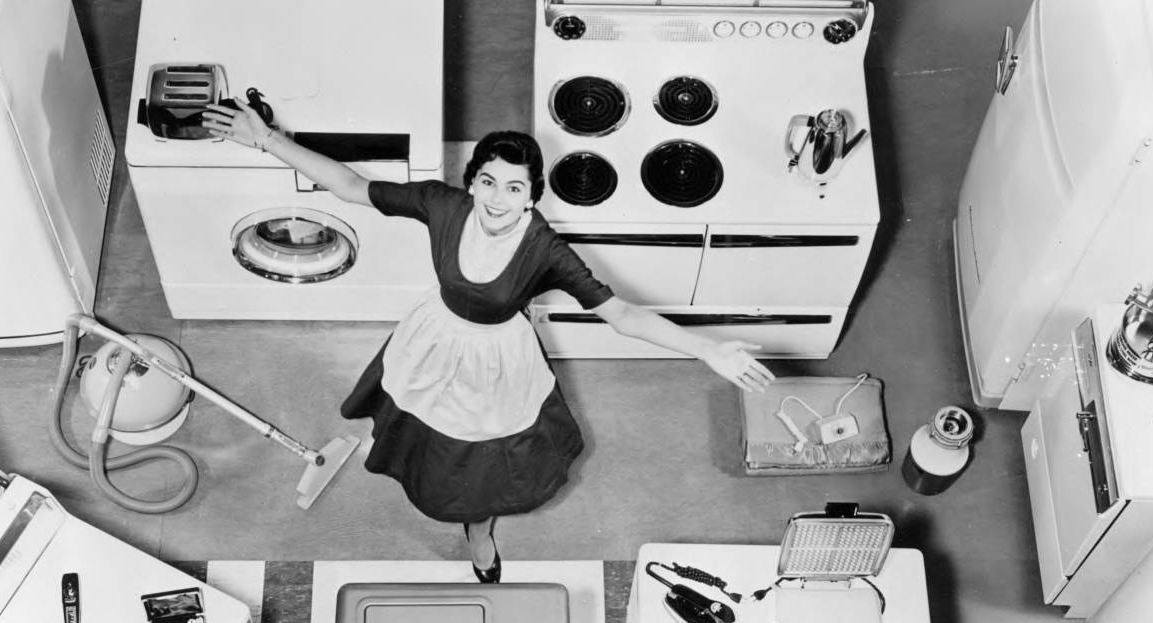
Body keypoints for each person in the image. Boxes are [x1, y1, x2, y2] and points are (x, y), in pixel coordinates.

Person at [203, 102, 775, 583]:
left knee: (483, 460)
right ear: (472, 181)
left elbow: (620, 313)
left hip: (497, 359)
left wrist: (706, 349)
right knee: (425, 437)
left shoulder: (545, 248)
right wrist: (267, 139)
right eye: (488, 182)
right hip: (434, 340)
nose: (498, 200)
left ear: (532, 197)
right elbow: (351, 186)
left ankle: (479, 531)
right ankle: (454, 501)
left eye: (514, 188)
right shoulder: (443, 205)